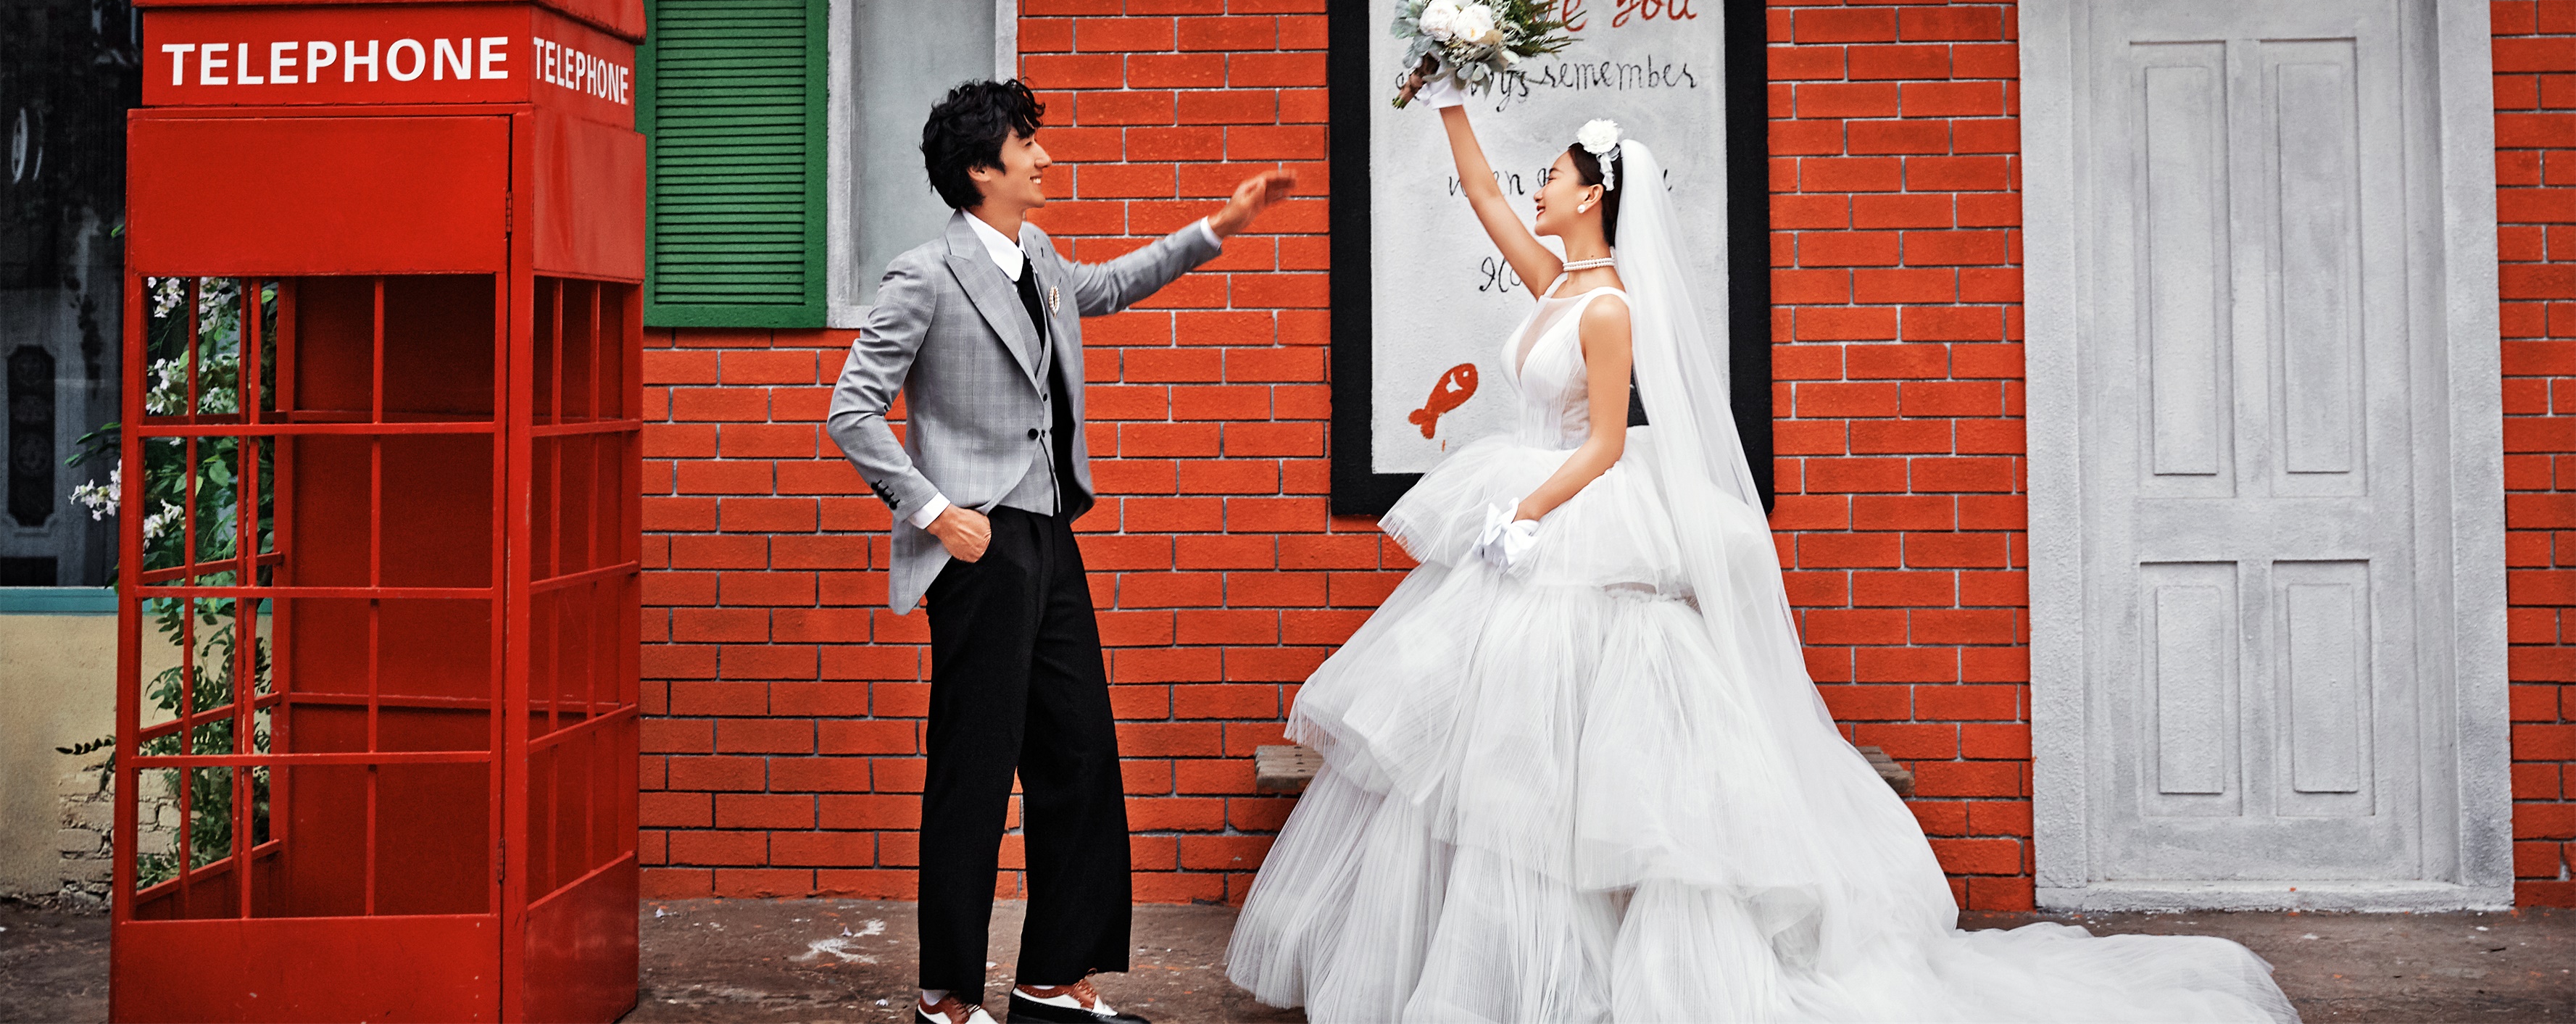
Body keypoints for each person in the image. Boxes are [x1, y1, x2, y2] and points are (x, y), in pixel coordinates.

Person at [1226, 85, 2296, 1023]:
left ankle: (1582, 972)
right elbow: (1480, 196)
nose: (1536, 188)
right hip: (1529, 520)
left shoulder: (1608, 308)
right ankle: (1508, 967)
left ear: (1592, 194)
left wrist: (1526, 514)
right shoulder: (1552, 282)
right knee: (1494, 758)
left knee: (1569, 756)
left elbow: (1606, 445)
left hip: (1569, 516)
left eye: (1551, 175)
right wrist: (1449, 96)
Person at [829, 78, 1294, 1024]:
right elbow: (852, 412)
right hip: (977, 544)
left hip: (1048, 531)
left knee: (1077, 751)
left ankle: (1050, 980)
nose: (1043, 156)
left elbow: (1111, 285)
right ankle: (945, 998)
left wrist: (1220, 226)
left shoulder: (1037, 255)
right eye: (1026, 144)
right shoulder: (924, 274)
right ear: (980, 169)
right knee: (973, 769)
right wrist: (936, 513)